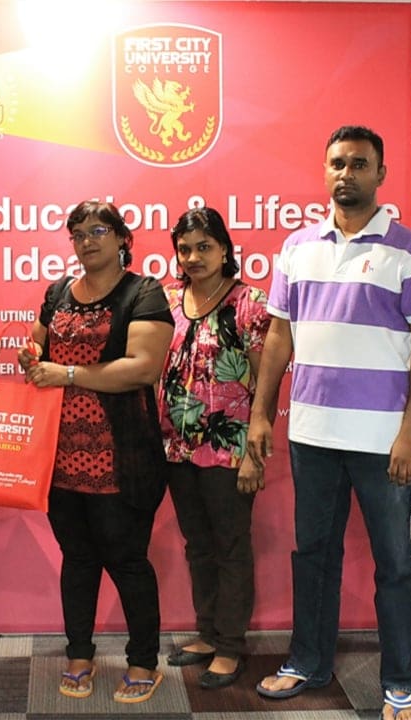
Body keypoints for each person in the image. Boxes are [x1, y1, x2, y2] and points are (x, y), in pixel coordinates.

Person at [248, 126, 411, 720]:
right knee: (313, 554)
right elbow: (278, 336)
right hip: (311, 434)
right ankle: (308, 661)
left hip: (383, 440)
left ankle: (400, 681)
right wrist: (261, 414)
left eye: (360, 164)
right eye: (338, 163)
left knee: (394, 564)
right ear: (325, 170)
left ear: (380, 174)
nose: (347, 173)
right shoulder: (298, 246)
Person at [19, 200, 174, 704]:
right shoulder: (58, 292)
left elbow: (142, 368)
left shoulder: (143, 292)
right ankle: (79, 654)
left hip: (121, 458)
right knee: (78, 558)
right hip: (60, 456)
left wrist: (68, 374)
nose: (87, 241)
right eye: (78, 234)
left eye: (98, 231)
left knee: (127, 560)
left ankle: (143, 660)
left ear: (122, 238)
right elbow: (40, 348)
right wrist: (30, 359)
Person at [158, 207, 270, 689]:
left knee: (230, 545)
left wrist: (255, 450)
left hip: (230, 447)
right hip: (176, 447)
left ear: (224, 249)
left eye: (204, 247)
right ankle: (207, 633)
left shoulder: (249, 303)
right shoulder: (167, 299)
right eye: (184, 249)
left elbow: (266, 378)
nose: (193, 257)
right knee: (198, 545)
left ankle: (230, 646)